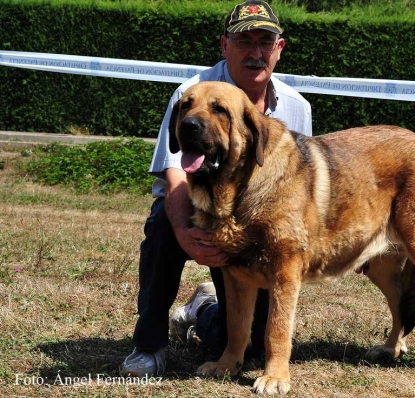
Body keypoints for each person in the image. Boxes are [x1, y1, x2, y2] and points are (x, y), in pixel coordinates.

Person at [120, 0, 312, 377]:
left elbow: (299, 190)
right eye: (244, 41)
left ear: (279, 48)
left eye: (264, 42)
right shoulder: (190, 95)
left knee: (249, 347)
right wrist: (185, 234)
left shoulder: (295, 107)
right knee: (161, 223)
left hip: (253, 228)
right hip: (196, 212)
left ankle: (201, 310)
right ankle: (149, 345)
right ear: (225, 45)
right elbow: (173, 173)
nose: (255, 53)